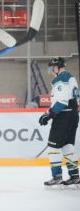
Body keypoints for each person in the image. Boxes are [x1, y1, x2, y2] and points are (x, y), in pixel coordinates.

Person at [38, 57, 80, 188]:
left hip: (64, 116)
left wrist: (49, 114)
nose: (50, 71)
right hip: (73, 115)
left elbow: (62, 101)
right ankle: (74, 176)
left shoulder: (60, 79)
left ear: (56, 67)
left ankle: (56, 176)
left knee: (53, 147)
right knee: (67, 146)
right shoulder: (70, 77)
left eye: (52, 68)